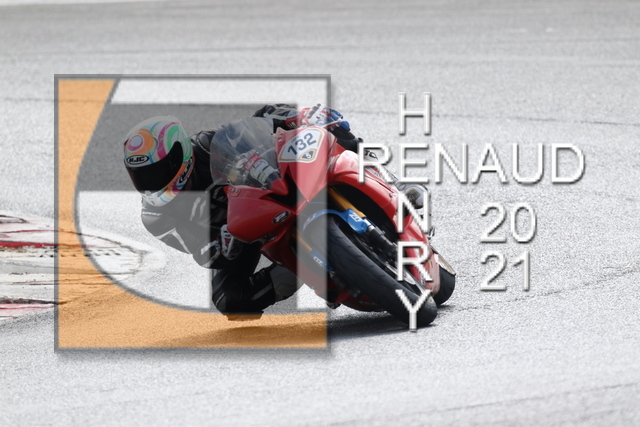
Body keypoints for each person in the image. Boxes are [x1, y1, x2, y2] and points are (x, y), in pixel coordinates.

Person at [123, 104, 427, 320]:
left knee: (330, 127)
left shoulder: (205, 146)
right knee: (230, 300)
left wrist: (295, 116)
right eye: (142, 176)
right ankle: (302, 269)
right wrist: (219, 245)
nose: (152, 181)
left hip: (268, 188)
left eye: (158, 170)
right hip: (238, 237)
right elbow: (202, 252)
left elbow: (257, 124)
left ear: (180, 152)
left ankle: (392, 181)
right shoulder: (156, 216)